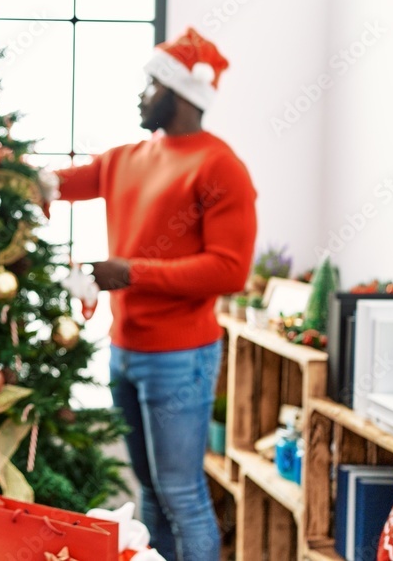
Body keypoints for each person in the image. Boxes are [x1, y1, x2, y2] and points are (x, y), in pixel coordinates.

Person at [55, 28, 257, 561]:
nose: (140, 94)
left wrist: (133, 273)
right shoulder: (128, 158)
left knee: (181, 493)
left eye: (150, 84)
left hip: (180, 356)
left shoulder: (219, 167)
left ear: (181, 93)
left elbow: (230, 270)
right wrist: (0, 170)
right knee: (148, 492)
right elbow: (58, 183)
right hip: (126, 352)